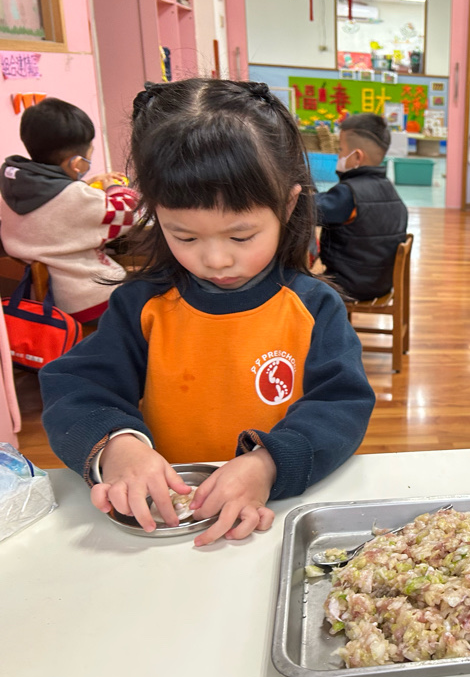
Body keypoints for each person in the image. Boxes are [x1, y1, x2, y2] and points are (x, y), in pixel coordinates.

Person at [39, 79, 376, 546]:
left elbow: (340, 405)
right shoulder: (143, 306)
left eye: (241, 236)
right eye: (185, 236)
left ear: (288, 204)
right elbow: (77, 388)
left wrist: (268, 463)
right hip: (166, 522)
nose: (216, 260)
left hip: (275, 519)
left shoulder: (313, 307)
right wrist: (117, 447)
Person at [0, 97, 138, 322]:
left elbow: (58, 209)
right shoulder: (75, 197)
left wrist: (83, 184)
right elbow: (129, 213)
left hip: (40, 299)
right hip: (87, 300)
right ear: (76, 163)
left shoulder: (13, 189)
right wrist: (114, 187)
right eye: (89, 155)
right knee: (152, 289)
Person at [314, 113, 408, 301]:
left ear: (357, 156)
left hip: (348, 284)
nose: (338, 156)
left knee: (294, 284)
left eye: (341, 150)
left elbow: (308, 210)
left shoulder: (348, 194)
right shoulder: (389, 189)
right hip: (380, 283)